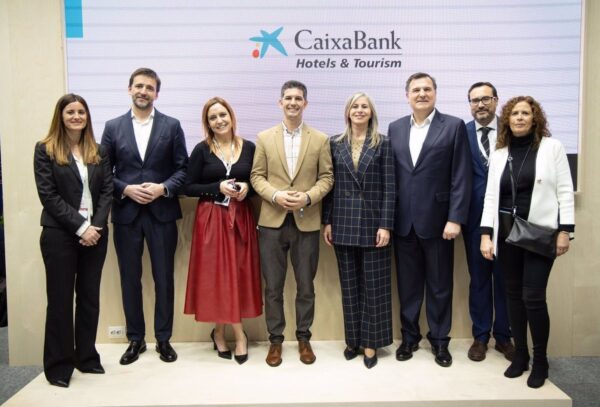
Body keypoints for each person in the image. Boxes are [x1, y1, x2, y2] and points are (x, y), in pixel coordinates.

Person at [480, 95, 574, 388]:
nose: (519, 118)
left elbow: (564, 190)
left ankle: (540, 361)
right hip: (507, 234)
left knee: (533, 297)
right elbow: (491, 197)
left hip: (540, 234)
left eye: (525, 113)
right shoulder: (500, 153)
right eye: (514, 113)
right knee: (513, 296)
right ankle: (520, 355)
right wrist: (486, 234)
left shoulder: (552, 147)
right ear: (507, 120)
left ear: (535, 119)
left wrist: (565, 230)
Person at [101, 68, 188, 365]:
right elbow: (103, 172)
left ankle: (163, 339)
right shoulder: (112, 127)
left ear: (156, 94)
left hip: (162, 214)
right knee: (130, 279)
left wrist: (163, 188)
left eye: (149, 88)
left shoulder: (172, 125)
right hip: (126, 214)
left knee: (164, 278)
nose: (143, 91)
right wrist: (125, 189)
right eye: (139, 86)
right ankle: (135, 339)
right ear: (129, 89)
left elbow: (183, 169)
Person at [388, 72, 471, 367]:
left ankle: (439, 341)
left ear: (435, 93)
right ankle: (409, 338)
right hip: (403, 222)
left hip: (439, 222)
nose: (421, 94)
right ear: (407, 95)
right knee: (408, 286)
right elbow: (393, 176)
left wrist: (455, 218)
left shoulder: (453, 126)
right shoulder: (395, 128)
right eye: (416, 90)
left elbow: (461, 175)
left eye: (427, 89)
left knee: (439, 286)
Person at [250, 80, 333, 367]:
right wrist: (276, 195)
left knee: (306, 286)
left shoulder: (320, 139)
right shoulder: (264, 138)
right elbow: (256, 176)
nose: (293, 102)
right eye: (288, 98)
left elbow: (327, 178)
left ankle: (303, 338)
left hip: (306, 223)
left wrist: (308, 198)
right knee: (273, 287)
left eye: (298, 98)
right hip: (271, 224)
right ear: (280, 102)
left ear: (305, 103)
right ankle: (275, 341)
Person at [34, 94, 113, 387]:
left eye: (81, 111)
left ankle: (86, 358)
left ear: (87, 116)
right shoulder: (45, 149)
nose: (76, 116)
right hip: (60, 234)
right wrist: (82, 227)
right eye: (70, 112)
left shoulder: (99, 150)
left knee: (89, 298)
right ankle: (59, 367)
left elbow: (106, 192)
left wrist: (96, 226)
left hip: (96, 234)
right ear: (61, 116)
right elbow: (48, 195)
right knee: (60, 301)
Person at [183, 97, 262, 364]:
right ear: (207, 123)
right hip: (212, 219)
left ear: (231, 116)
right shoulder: (201, 150)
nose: (219, 121)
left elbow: (257, 180)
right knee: (218, 277)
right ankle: (239, 335)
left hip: (241, 218)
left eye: (222, 115)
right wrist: (216, 187)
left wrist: (248, 188)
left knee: (237, 275)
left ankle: (218, 332)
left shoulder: (249, 147)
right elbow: (188, 186)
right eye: (213, 117)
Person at [322, 92, 395, 369]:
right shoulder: (334, 143)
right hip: (342, 223)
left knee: (374, 287)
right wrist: (327, 221)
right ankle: (352, 340)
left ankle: (371, 343)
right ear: (347, 111)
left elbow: (390, 188)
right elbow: (330, 186)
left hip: (374, 225)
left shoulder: (384, 144)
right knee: (349, 286)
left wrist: (386, 225)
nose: (360, 110)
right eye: (355, 106)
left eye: (365, 106)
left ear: (371, 112)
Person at [463, 82, 514, 362]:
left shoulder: (511, 130)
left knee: (505, 279)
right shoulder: (461, 132)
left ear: (496, 100)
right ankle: (481, 336)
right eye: (474, 100)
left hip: (507, 217)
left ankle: (504, 336)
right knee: (479, 279)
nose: (480, 105)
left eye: (485, 99)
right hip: (473, 219)